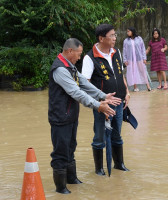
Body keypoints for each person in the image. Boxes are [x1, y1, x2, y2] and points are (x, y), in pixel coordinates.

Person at [48, 38, 121, 194]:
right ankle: (61, 189)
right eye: (79, 54)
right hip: (60, 118)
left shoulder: (70, 67)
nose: (80, 57)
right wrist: (97, 105)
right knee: (60, 152)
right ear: (69, 51)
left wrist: (102, 96)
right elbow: (76, 92)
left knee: (71, 147)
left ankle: (72, 179)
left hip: (71, 116)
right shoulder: (60, 69)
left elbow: (84, 84)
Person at [82, 24, 131, 176]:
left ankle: (119, 164)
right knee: (99, 137)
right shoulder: (90, 58)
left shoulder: (117, 52)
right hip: (103, 106)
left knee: (117, 134)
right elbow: (85, 83)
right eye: (112, 36)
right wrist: (100, 103)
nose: (115, 38)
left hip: (120, 102)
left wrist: (127, 92)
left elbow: (121, 75)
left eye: (115, 35)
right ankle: (99, 169)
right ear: (101, 38)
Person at [123, 27, 151, 92]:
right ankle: (135, 87)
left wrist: (144, 58)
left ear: (132, 31)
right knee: (133, 72)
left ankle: (148, 86)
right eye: (127, 31)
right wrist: (125, 60)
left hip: (139, 58)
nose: (128, 33)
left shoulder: (139, 39)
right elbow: (124, 51)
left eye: (129, 31)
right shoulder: (126, 41)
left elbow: (142, 48)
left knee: (143, 71)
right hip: (131, 59)